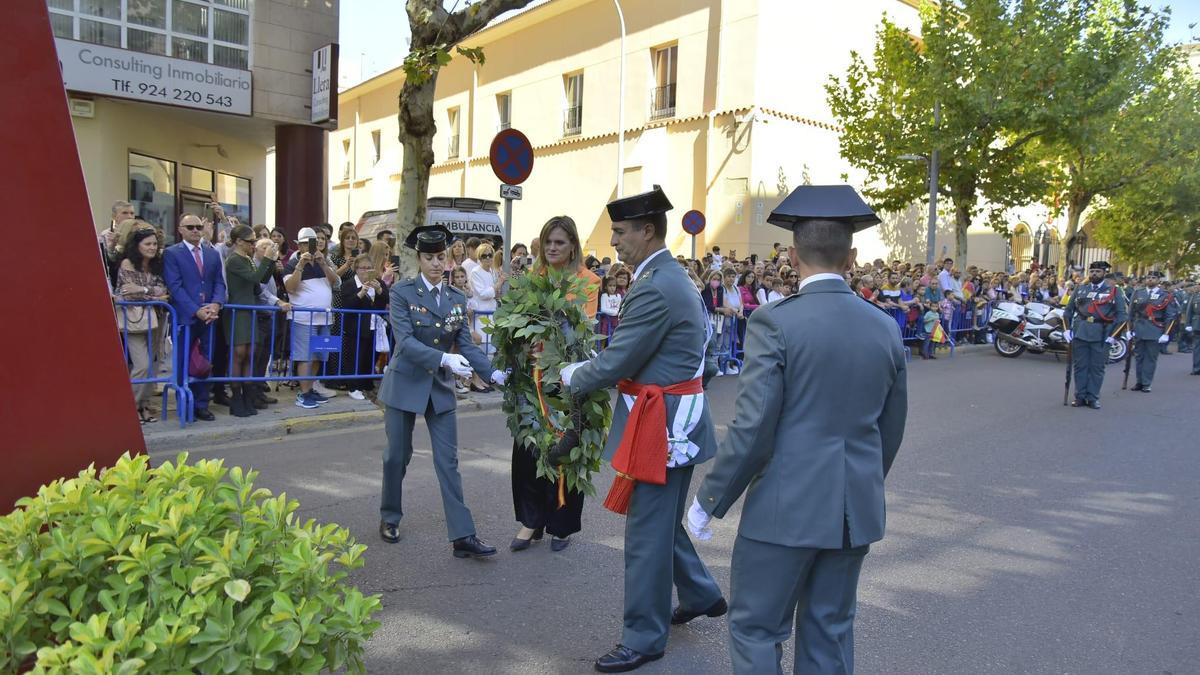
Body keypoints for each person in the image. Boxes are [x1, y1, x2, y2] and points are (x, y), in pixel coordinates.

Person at [689, 185, 908, 675]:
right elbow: (889, 431)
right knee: (829, 634)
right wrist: (858, 482)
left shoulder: (775, 321)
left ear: (791, 255)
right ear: (852, 257)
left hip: (784, 509)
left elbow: (753, 426)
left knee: (756, 630)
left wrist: (710, 500)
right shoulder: (884, 327)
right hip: (854, 509)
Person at [559, 186, 725, 673]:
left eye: (620, 231)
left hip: (660, 430)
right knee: (662, 524)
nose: (613, 240)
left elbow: (621, 360)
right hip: (676, 423)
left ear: (647, 231)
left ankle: (644, 637)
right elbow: (706, 359)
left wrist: (575, 375)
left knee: (647, 535)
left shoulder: (655, 285)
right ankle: (700, 592)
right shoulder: (675, 279)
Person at [376, 225, 507, 558]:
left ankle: (463, 536)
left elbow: (466, 344)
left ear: (448, 258)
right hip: (405, 381)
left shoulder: (456, 298)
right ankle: (390, 516)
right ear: (418, 259)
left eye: (440, 257)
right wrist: (445, 357)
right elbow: (404, 342)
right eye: (429, 257)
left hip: (439, 388)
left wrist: (492, 372)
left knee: (448, 462)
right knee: (396, 456)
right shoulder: (402, 293)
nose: (436, 263)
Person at [508, 215, 600, 553]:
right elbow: (516, 322)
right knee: (527, 449)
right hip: (532, 378)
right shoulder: (534, 279)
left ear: (573, 245)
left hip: (567, 378)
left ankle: (561, 525)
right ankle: (530, 521)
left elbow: (580, 329)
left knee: (565, 450)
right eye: (547, 242)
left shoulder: (588, 281)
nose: (552, 248)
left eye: (559, 242)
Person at [163, 213, 226, 421]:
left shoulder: (211, 254)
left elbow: (219, 283)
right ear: (180, 229)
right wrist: (195, 310)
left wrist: (216, 304)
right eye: (190, 227)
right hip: (185, 317)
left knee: (205, 361)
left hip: (209, 317)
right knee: (184, 360)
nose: (195, 231)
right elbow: (175, 286)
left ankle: (201, 404)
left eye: (198, 227)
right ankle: (185, 404)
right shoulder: (172, 253)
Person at [221, 224, 278, 417]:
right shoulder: (234, 260)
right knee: (239, 354)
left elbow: (259, 281)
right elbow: (255, 276)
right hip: (238, 311)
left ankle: (247, 396)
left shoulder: (247, 259)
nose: (253, 245)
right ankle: (236, 398)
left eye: (255, 241)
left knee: (250, 354)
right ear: (238, 241)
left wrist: (270, 262)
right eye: (250, 241)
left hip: (250, 309)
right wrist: (267, 258)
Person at [116, 227, 170, 424]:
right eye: (147, 244)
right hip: (135, 320)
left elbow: (164, 289)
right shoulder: (127, 263)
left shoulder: (158, 264)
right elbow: (129, 293)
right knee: (142, 365)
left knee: (153, 366)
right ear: (136, 245)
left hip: (157, 319)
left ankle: (144, 406)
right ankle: (132, 408)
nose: (152, 248)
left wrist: (145, 289)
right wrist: (153, 292)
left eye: (155, 244)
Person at [283, 227, 341, 409]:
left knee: (318, 356)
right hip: (303, 318)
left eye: (312, 243)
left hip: (324, 318)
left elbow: (336, 282)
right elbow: (290, 288)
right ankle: (304, 393)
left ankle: (310, 389)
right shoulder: (292, 264)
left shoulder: (325, 261)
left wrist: (324, 264)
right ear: (299, 245)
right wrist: (301, 265)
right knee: (305, 357)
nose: (309, 247)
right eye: (305, 243)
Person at [1062, 261, 1127, 408]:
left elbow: (1122, 316)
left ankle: (1092, 397)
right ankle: (1080, 396)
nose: (1094, 274)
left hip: (1102, 333)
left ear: (1104, 273)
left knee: (1097, 367)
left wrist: (1114, 336)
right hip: (1081, 331)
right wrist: (1066, 330)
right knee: (1080, 366)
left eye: (1098, 271)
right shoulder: (1080, 289)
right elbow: (1068, 311)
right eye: (1092, 271)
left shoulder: (1114, 291)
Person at [341, 255, 388, 400]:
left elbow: (386, 299)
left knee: (371, 356)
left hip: (375, 326)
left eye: (369, 268)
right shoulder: (349, 284)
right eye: (363, 268)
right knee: (356, 356)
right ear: (356, 269)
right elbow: (347, 305)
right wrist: (361, 293)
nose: (366, 271)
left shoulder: (378, 282)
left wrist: (379, 289)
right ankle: (353, 386)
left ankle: (367, 384)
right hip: (356, 327)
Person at [1129, 271, 1178, 393]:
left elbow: (1170, 316)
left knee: (1150, 358)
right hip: (1139, 327)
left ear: (1158, 280)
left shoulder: (1165, 295)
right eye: (1148, 277)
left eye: (1153, 278)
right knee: (1139, 357)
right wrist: (1129, 329)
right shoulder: (1138, 292)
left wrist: (1166, 333)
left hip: (1155, 328)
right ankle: (1139, 381)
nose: (1150, 280)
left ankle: (1146, 383)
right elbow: (1130, 313)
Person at [467, 242, 505, 360]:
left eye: (490, 255)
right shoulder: (475, 272)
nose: (488, 258)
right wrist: (498, 284)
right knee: (481, 355)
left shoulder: (493, 271)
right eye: (484, 255)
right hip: (480, 318)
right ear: (479, 257)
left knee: (491, 353)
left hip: (492, 316)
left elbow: (494, 294)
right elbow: (484, 294)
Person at [1185, 281, 1200, 374]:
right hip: (1197, 324)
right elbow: (1189, 311)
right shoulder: (1195, 296)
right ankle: (1197, 368)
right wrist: (1188, 324)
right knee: (1197, 347)